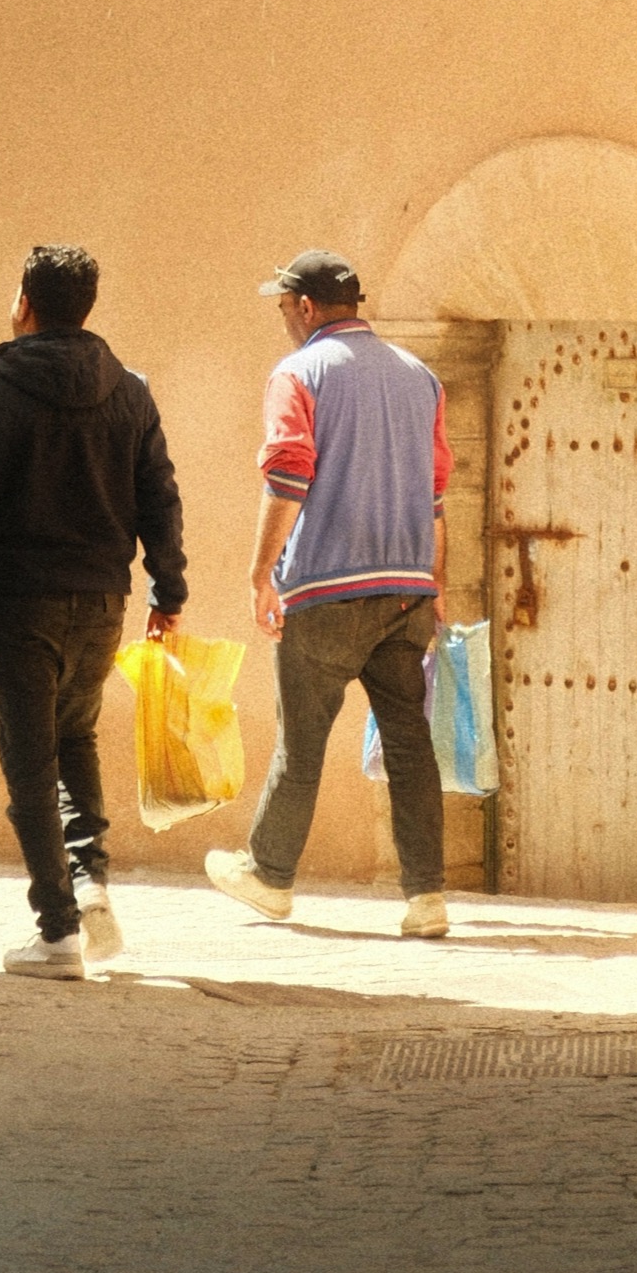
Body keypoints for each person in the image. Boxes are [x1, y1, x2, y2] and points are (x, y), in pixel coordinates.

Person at [0, 240, 188, 979]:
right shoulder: (130, 393)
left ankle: (58, 932)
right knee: (76, 739)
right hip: (104, 603)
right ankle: (90, 883)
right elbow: (160, 497)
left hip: (22, 605)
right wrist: (167, 592)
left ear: (25, 303)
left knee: (30, 760)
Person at [205, 248, 449, 939]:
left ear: (306, 307)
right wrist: (435, 582)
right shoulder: (421, 378)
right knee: (410, 743)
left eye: (285, 307)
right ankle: (427, 898)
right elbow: (436, 494)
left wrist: (261, 575)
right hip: (406, 590)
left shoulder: (298, 373)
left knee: (302, 741)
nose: (285, 320)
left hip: (324, 588)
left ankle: (270, 875)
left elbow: (287, 475)